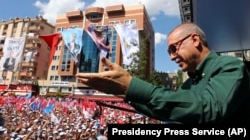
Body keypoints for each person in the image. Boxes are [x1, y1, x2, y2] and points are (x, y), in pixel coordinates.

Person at [76, 22, 250, 124]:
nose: (172, 57)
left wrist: (132, 85)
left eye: (174, 49)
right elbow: (166, 110)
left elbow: (209, 109)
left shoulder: (230, 67)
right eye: (169, 52)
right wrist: (124, 92)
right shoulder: (189, 84)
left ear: (195, 40)